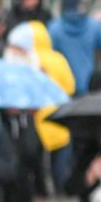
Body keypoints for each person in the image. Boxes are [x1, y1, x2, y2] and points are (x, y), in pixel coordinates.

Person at [18, 21, 77, 192]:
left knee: (39, 171)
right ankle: (60, 196)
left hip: (36, 123)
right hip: (59, 120)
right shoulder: (59, 59)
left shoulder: (26, 61)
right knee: (59, 168)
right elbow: (71, 87)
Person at [48, 0, 101, 96]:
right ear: (79, 6)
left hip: (61, 86)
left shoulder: (53, 28)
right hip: (88, 84)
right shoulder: (94, 25)